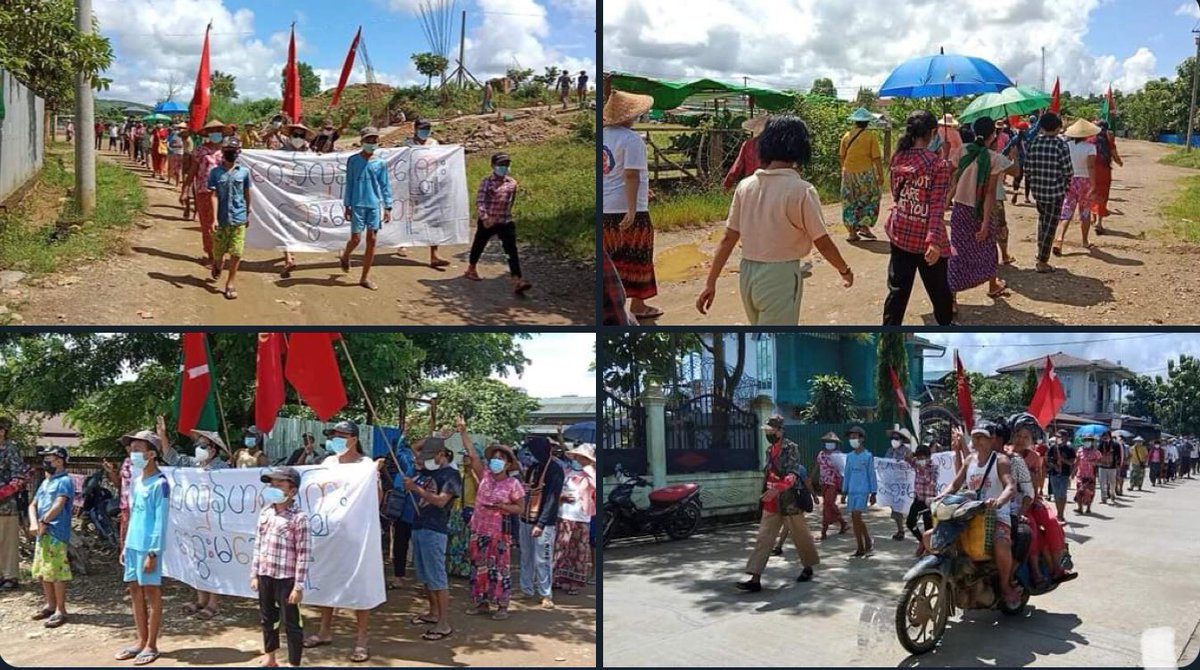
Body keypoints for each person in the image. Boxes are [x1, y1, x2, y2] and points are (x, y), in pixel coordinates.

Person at [697, 115, 854, 325]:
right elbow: (822, 241)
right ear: (800, 148)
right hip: (781, 275)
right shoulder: (802, 190)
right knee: (779, 342)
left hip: (747, 274)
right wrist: (844, 270)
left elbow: (728, 238)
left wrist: (711, 282)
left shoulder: (745, 186)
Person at [303, 421, 375, 662]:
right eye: (333, 435)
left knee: (359, 587)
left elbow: (377, 498)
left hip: (356, 537)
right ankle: (324, 631)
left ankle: (362, 640)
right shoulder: (328, 463)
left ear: (354, 438)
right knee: (327, 581)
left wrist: (374, 478)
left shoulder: (366, 465)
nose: (336, 440)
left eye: (341, 435)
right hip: (328, 535)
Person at [883, 110, 954, 326]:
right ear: (933, 133)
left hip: (901, 233)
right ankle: (946, 325)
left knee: (897, 292)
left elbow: (896, 195)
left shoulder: (898, 157)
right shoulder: (938, 165)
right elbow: (936, 207)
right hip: (927, 242)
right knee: (940, 291)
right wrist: (933, 240)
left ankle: (889, 330)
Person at [940, 421, 1020, 608]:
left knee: (1001, 543)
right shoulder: (970, 461)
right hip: (969, 512)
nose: (977, 440)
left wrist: (999, 501)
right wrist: (940, 497)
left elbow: (1010, 486)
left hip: (995, 515)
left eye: (981, 437)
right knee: (937, 538)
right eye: (974, 436)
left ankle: (1005, 585)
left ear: (992, 439)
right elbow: (955, 484)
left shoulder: (1001, 460)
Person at [735, 416, 820, 591]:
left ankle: (808, 567)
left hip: (789, 501)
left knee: (801, 536)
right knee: (763, 539)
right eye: (767, 430)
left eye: (771, 430)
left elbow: (793, 474)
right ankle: (755, 578)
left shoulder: (791, 448)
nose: (768, 433)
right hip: (771, 501)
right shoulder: (769, 450)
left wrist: (779, 488)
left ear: (780, 431)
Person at [602, 91, 661, 321]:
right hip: (627, 207)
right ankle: (638, 304)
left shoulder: (602, 137)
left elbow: (610, 174)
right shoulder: (632, 139)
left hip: (606, 208)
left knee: (612, 257)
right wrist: (633, 209)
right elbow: (631, 175)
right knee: (639, 255)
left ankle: (613, 303)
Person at [160, 424, 229, 619]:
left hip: (215, 522)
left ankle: (214, 603)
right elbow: (171, 457)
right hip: (193, 522)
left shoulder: (223, 468)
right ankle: (200, 599)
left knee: (215, 560)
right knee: (197, 559)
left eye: (204, 445)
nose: (199, 448)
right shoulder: (191, 465)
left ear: (214, 450)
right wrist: (163, 436)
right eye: (198, 444)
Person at [114, 429, 169, 666]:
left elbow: (160, 521)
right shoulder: (137, 482)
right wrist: (125, 545)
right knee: (134, 592)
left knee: (152, 593)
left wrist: (153, 553)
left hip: (149, 549)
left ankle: (152, 644)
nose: (132, 454)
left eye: (137, 450)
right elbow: (132, 517)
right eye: (131, 449)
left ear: (152, 454)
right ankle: (140, 639)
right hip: (133, 545)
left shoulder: (161, 484)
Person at [947, 117, 1011, 306]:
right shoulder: (995, 159)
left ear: (974, 132)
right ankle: (992, 285)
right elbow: (990, 193)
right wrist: (984, 224)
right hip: (981, 211)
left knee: (957, 252)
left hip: (960, 209)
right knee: (988, 248)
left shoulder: (962, 151)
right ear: (993, 135)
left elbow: (948, 173)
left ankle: (951, 297)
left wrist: (947, 198)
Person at [251, 467, 311, 669]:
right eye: (271, 484)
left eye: (279, 485)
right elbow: (258, 544)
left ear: (292, 491)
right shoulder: (266, 512)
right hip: (265, 575)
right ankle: (270, 657)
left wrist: (298, 586)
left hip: (287, 579)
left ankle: (294, 663)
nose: (273, 488)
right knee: (267, 618)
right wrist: (255, 574)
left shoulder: (299, 518)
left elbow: (303, 553)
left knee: (292, 622)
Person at [406, 436, 462, 642]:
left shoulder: (452, 475)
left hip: (435, 529)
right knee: (425, 576)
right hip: (419, 526)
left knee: (437, 577)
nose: (424, 459)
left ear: (441, 454)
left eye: (431, 455)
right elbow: (413, 446)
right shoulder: (426, 471)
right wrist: (435, 437)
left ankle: (443, 623)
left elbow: (440, 501)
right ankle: (433, 613)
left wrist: (416, 489)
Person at [465, 152, 532, 293]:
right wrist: (485, 217)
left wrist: (507, 216)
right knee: (479, 244)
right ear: (493, 166)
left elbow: (510, 201)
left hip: (505, 221)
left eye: (506, 165)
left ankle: (517, 279)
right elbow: (480, 201)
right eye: (501, 165)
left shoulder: (512, 183)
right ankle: (471, 268)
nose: (504, 167)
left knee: (511, 251)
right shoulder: (487, 182)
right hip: (488, 221)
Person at [340, 127, 393, 292]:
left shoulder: (380, 163)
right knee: (355, 239)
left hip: (374, 206)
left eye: (374, 140)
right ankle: (345, 255)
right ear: (362, 141)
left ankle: (364, 277)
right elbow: (349, 183)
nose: (372, 143)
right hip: (357, 205)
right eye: (368, 140)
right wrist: (347, 205)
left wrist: (388, 206)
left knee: (372, 239)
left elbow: (385, 186)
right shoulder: (353, 160)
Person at [28, 446, 74, 628]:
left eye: (49, 458)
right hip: (41, 532)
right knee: (43, 570)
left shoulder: (65, 481)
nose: (45, 462)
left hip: (56, 532)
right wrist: (34, 523)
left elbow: (59, 504)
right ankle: (50, 604)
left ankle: (61, 610)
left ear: (60, 460)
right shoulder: (45, 482)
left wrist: (45, 522)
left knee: (56, 571)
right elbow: (33, 504)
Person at [1022, 112, 1073, 272]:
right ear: (1058, 128)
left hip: (1038, 192)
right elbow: (1068, 171)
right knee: (1050, 226)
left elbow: (1027, 169)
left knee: (1042, 222)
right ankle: (1042, 261)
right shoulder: (1060, 145)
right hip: (1055, 193)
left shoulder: (1035, 143)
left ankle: (1040, 253)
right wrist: (1064, 187)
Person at [518, 436, 565, 609]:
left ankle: (545, 594)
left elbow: (552, 500)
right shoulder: (533, 468)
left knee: (542, 559)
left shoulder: (554, 470)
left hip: (543, 523)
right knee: (526, 557)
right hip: (526, 518)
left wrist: (541, 523)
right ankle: (527, 589)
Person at [400, 119, 451, 269]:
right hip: (411, 185)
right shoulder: (407, 144)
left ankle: (434, 254)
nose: (425, 131)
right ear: (415, 129)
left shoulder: (434, 143)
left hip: (430, 185)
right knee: (407, 216)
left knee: (433, 218)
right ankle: (403, 243)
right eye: (422, 128)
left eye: (427, 129)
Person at [206, 138, 253, 300]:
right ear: (223, 152)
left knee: (237, 252)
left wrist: (247, 213)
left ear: (238, 153)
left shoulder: (244, 172)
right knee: (218, 252)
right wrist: (214, 219)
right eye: (228, 151)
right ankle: (217, 264)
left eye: (233, 151)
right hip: (222, 219)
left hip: (238, 217)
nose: (231, 154)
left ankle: (230, 283)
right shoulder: (215, 172)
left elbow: (247, 194)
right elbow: (214, 195)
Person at [181, 120, 227, 269]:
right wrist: (185, 189)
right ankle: (211, 255)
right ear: (208, 134)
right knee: (207, 225)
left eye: (218, 130)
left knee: (223, 224)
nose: (215, 133)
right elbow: (193, 171)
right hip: (203, 191)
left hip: (224, 192)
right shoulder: (200, 151)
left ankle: (220, 254)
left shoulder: (228, 151)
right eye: (212, 131)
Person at [1054, 119, 1101, 255]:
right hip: (1085, 181)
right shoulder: (1090, 148)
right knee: (1085, 212)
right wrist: (1093, 185)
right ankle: (1085, 241)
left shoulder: (1066, 146)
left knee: (1067, 210)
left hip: (1069, 179)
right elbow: (1091, 167)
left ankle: (1060, 238)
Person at [555, 442, 596, 596]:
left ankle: (575, 583)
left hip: (581, 516)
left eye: (583, 458)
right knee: (562, 548)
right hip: (565, 514)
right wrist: (562, 496)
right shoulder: (568, 473)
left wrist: (589, 470)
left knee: (579, 550)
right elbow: (557, 490)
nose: (579, 460)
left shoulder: (590, 474)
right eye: (578, 457)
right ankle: (561, 578)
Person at [839, 107, 884, 241]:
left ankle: (852, 232)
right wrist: (880, 176)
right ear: (867, 123)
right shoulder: (870, 137)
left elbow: (842, 156)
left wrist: (845, 170)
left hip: (848, 173)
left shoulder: (846, 136)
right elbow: (876, 158)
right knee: (872, 197)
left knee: (849, 201)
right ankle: (864, 225)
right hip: (866, 174)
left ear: (855, 122)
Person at [0, 417, 31, 591]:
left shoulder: (10, 449)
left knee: (7, 540)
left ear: (3, 431)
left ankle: (10, 576)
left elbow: (19, 476)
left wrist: (5, 492)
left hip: (5, 503)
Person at [382, 431, 416, 589]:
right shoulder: (406, 459)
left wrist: (405, 431)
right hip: (405, 508)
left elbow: (400, 450)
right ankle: (402, 576)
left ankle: (401, 577)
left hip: (411, 509)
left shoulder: (407, 459)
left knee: (402, 544)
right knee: (401, 543)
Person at [842, 425, 877, 557]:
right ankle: (867, 540)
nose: (852, 440)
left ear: (861, 439)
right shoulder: (850, 457)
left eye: (855, 437)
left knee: (856, 516)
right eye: (851, 438)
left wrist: (874, 493)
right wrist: (844, 492)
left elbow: (871, 474)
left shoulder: (868, 456)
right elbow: (847, 474)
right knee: (855, 518)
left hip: (863, 491)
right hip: (852, 490)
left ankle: (860, 547)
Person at [812, 432, 848, 539]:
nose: (829, 444)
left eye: (832, 442)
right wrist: (811, 477)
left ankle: (824, 530)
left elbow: (843, 470)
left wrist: (845, 487)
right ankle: (842, 522)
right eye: (828, 442)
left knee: (828, 503)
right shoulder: (821, 454)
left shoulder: (838, 455)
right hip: (823, 482)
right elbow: (817, 466)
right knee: (828, 505)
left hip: (834, 482)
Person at [1090, 121, 1123, 235]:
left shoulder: (1091, 139)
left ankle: (1093, 219)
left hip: (1092, 172)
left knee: (1093, 194)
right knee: (1103, 196)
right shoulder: (1109, 140)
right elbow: (1115, 155)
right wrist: (1120, 163)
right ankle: (1099, 223)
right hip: (1104, 171)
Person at [906, 444, 938, 556]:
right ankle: (922, 541)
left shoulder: (933, 467)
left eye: (922, 458)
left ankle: (929, 550)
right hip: (918, 499)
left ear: (928, 457)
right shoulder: (916, 464)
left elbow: (933, 484)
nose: (920, 460)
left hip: (929, 501)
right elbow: (907, 458)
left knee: (928, 526)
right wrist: (912, 454)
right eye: (918, 457)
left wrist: (923, 472)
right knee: (910, 522)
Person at [884, 427, 914, 540]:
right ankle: (900, 529)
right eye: (892, 438)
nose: (894, 440)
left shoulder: (907, 452)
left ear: (901, 440)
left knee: (902, 506)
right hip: (892, 483)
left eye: (896, 438)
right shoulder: (889, 451)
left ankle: (903, 529)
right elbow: (885, 464)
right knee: (895, 508)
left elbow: (911, 465)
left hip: (903, 483)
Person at [723, 116, 766, 192]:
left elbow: (737, 166)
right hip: (770, 182)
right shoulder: (776, 145)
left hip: (751, 182)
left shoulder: (748, 144)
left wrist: (727, 185)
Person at [1074, 436, 1100, 514]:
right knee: (1080, 491)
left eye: (1089, 440)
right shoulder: (1080, 450)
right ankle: (1080, 508)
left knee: (1090, 492)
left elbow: (1100, 461)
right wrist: (1072, 472)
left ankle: (1088, 507)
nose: (1087, 442)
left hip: (1091, 475)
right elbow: (1077, 461)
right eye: (1085, 440)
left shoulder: (1096, 452)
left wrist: (1094, 462)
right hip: (1080, 474)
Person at [1097, 431, 1118, 505]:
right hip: (1102, 466)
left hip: (1112, 467)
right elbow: (1097, 455)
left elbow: (1118, 456)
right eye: (1104, 436)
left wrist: (1118, 464)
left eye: (1106, 435)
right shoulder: (1100, 445)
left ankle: (1112, 494)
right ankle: (1103, 498)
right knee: (1102, 483)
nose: (1105, 437)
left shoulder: (1115, 444)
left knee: (1112, 482)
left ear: (1110, 436)